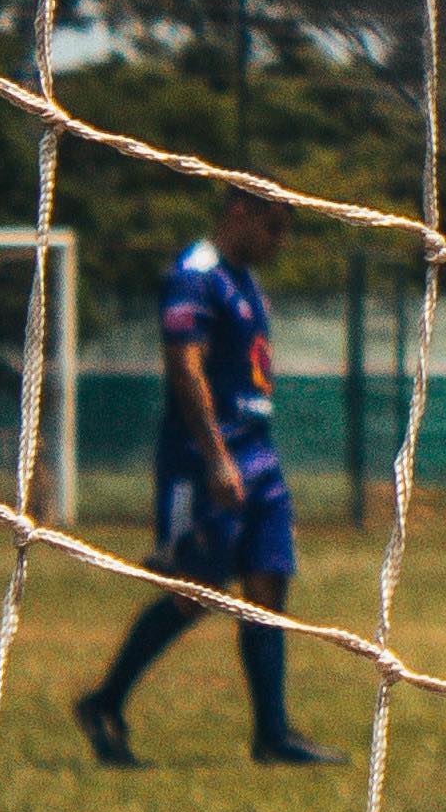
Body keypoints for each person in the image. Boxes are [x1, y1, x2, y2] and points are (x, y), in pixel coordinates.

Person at [72, 182, 335, 768]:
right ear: (238, 210)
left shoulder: (245, 279)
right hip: (206, 460)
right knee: (197, 590)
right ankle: (105, 700)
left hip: (260, 455)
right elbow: (185, 372)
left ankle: (273, 734)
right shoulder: (195, 275)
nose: (279, 240)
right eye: (273, 225)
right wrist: (215, 456)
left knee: (268, 588)